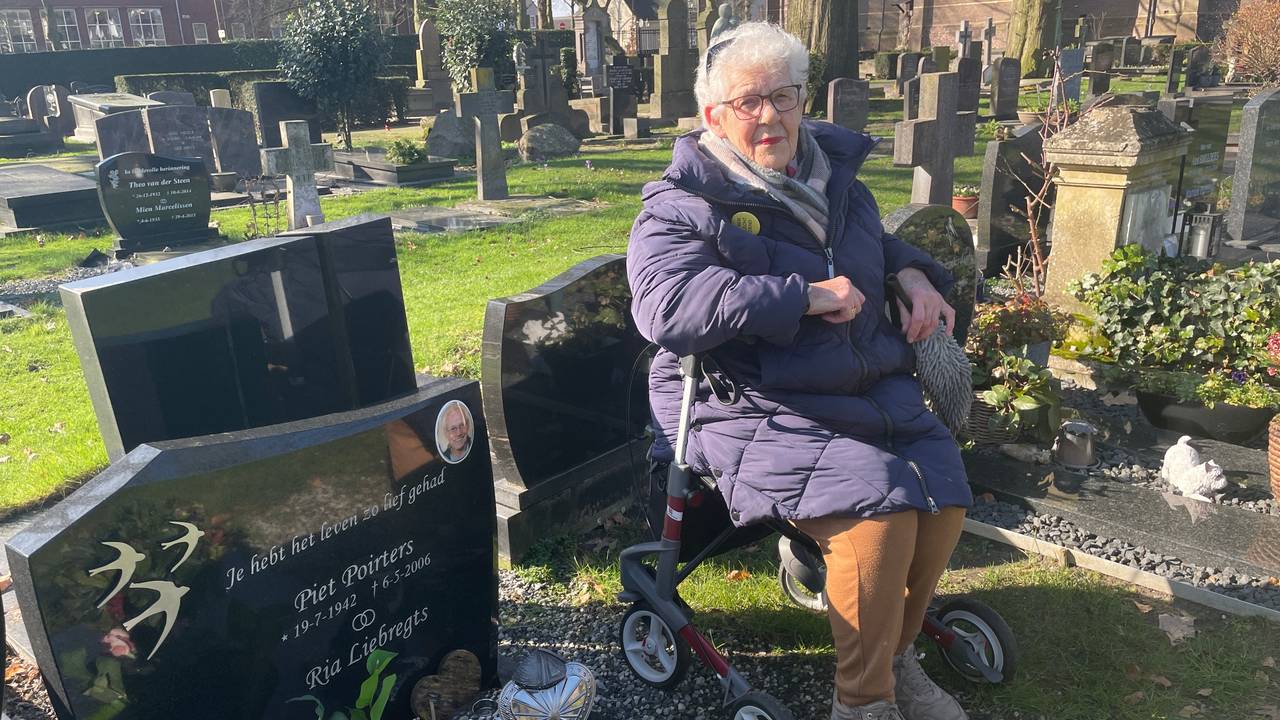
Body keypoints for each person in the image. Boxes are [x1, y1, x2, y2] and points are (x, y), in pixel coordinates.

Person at [626, 22, 973, 720]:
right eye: (748, 101)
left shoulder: (831, 177)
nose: (769, 116)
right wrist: (804, 297)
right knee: (880, 516)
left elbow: (875, 241)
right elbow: (666, 308)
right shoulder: (680, 206)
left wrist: (915, 275)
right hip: (751, 400)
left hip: (862, 385)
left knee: (943, 493)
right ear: (712, 116)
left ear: (802, 100)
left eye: (782, 97)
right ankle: (864, 702)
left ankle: (894, 659)